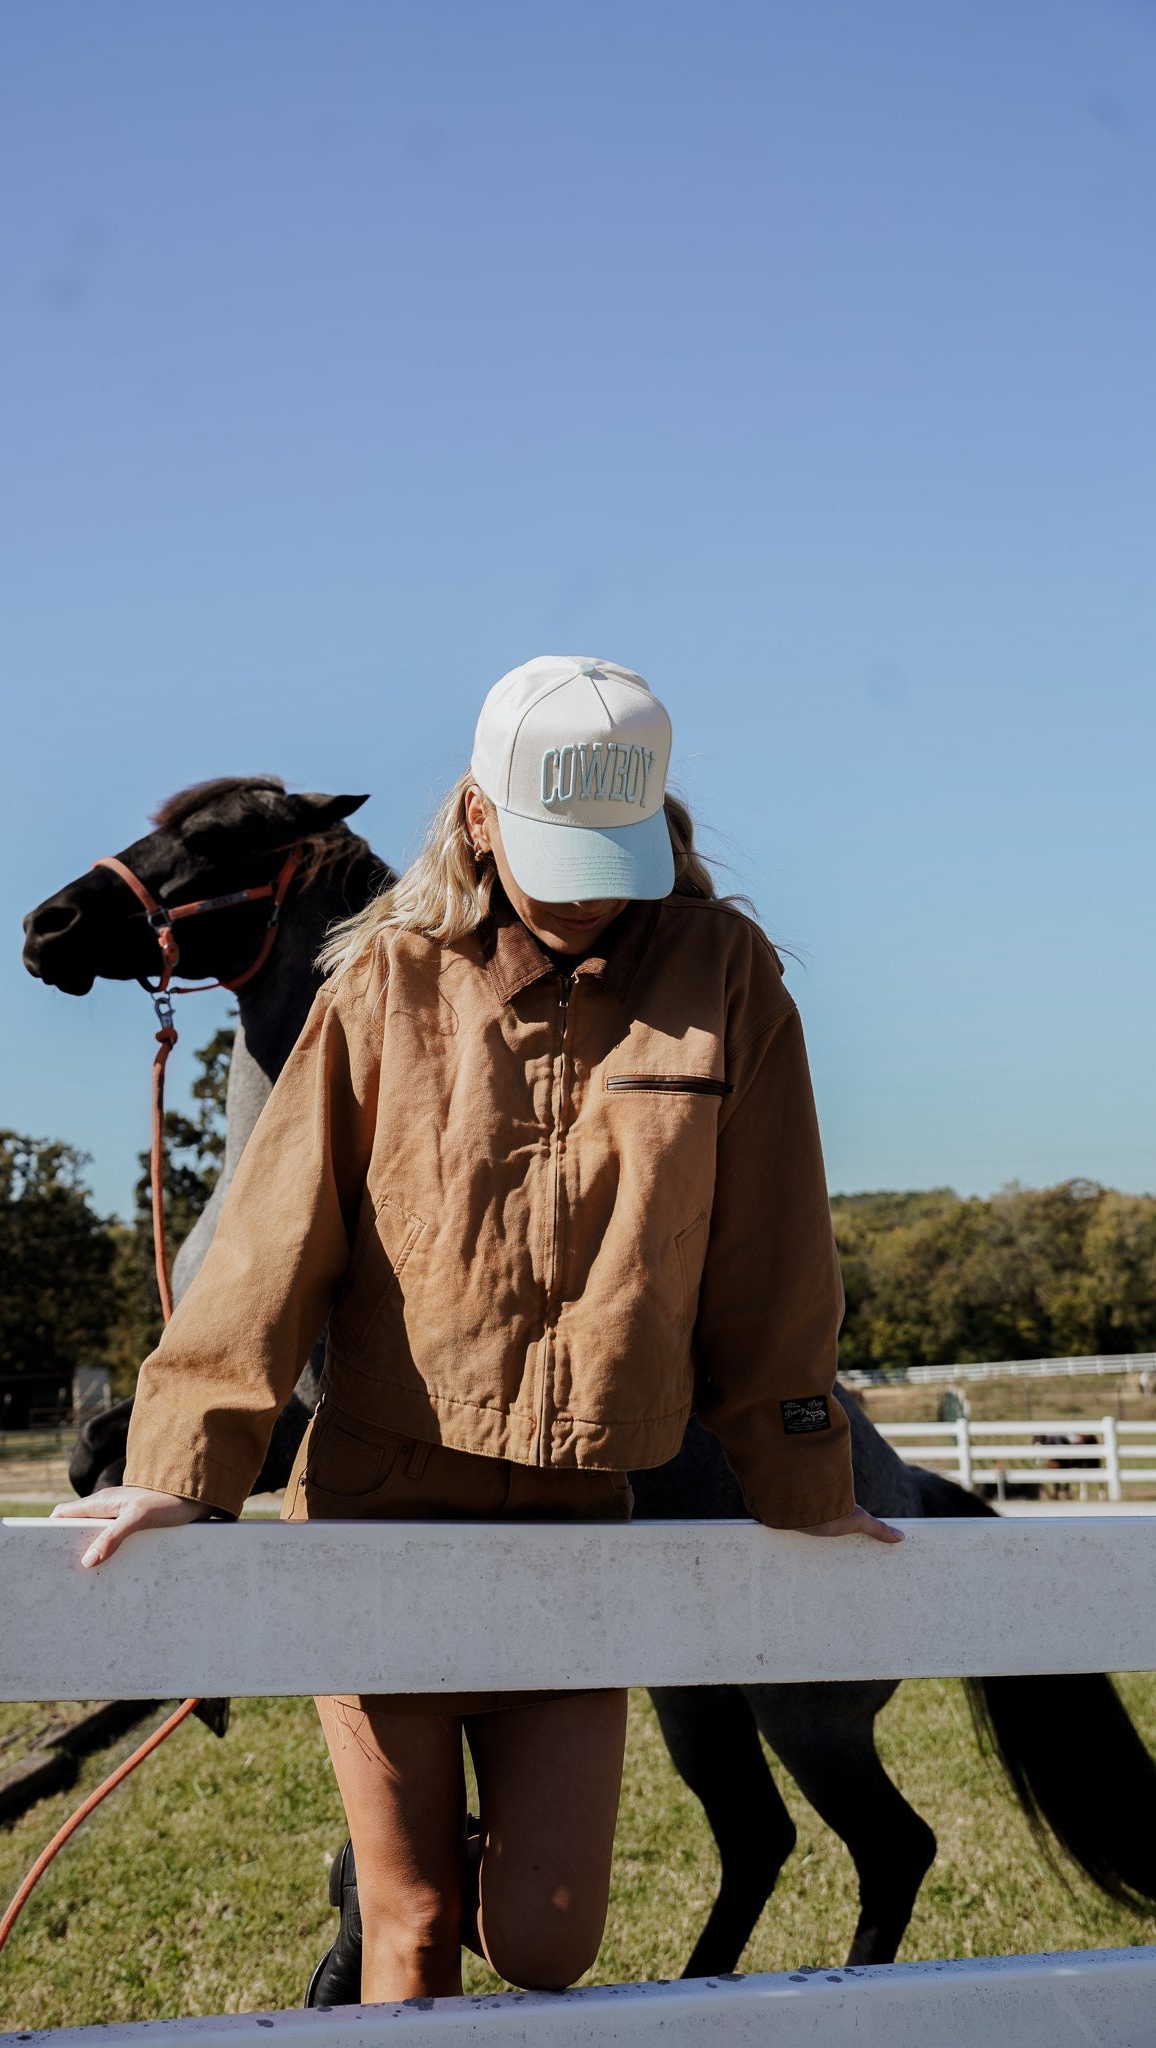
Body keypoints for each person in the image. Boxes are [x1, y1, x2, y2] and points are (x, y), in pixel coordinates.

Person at [56, 656, 901, 2004]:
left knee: (552, 1938)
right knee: (408, 1925)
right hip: (380, 1503)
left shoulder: (722, 972)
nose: (587, 889)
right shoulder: (384, 979)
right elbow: (278, 1238)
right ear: (476, 819)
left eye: (611, 854)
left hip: (576, 1511)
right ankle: (406, 1855)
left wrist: (804, 1473)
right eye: (555, 851)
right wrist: (178, 1467)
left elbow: (772, 1254)